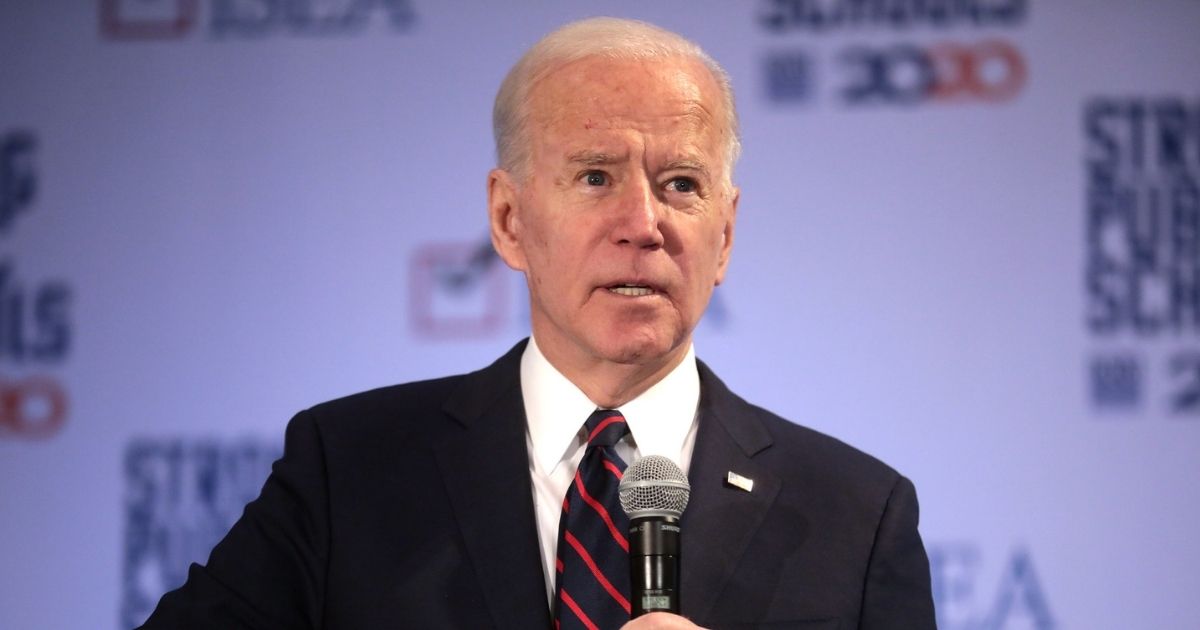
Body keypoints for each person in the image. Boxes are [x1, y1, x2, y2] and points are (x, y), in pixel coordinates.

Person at [139, 17, 935, 630]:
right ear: (509, 218)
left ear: (723, 235)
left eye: (681, 183)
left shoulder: (857, 515)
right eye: (595, 176)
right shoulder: (348, 471)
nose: (642, 223)